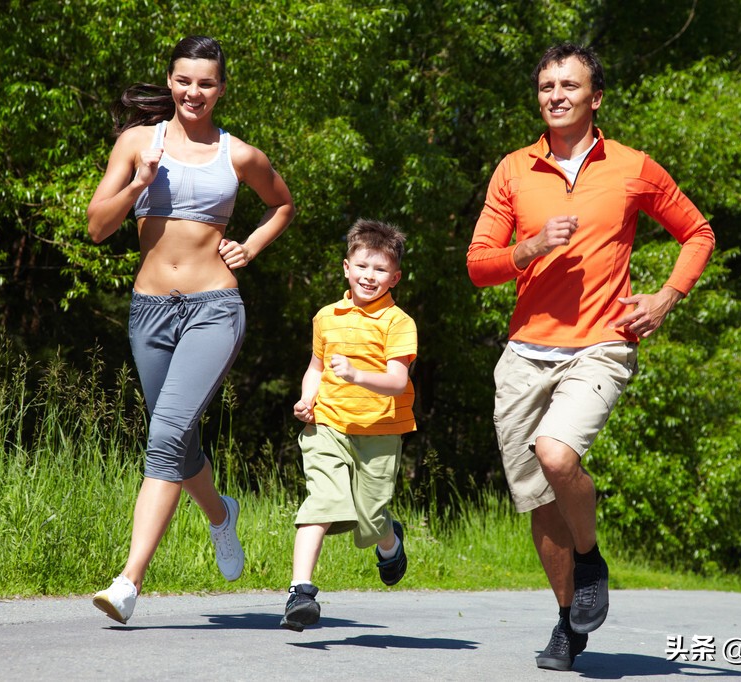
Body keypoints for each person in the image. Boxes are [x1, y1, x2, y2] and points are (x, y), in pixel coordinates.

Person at [467, 42, 715, 671]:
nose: (556, 95)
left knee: (556, 454)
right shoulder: (513, 169)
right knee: (537, 498)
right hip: (525, 351)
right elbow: (478, 265)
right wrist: (528, 249)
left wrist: (665, 297)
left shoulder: (633, 167)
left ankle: (589, 558)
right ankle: (567, 621)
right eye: (547, 86)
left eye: (569, 85)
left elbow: (698, 233)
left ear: (595, 97)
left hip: (603, 343)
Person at [85, 34, 295, 624]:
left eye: (205, 83)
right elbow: (97, 227)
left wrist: (251, 245)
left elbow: (282, 205)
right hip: (150, 311)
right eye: (183, 80)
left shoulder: (239, 154)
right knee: (177, 440)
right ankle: (221, 514)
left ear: (221, 89)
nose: (193, 92)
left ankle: (129, 581)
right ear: (170, 81)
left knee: (164, 435)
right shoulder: (137, 143)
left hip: (213, 308)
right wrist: (138, 183)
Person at [280, 219, 417, 632]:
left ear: (394, 277)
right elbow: (316, 367)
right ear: (346, 267)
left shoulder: (398, 322)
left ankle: (390, 543)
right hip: (329, 424)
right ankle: (300, 592)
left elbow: (397, 381)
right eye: (362, 266)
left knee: (371, 518)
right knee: (321, 501)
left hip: (380, 431)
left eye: (380, 269)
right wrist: (307, 399)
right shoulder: (326, 317)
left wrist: (356, 375)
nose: (369, 276)